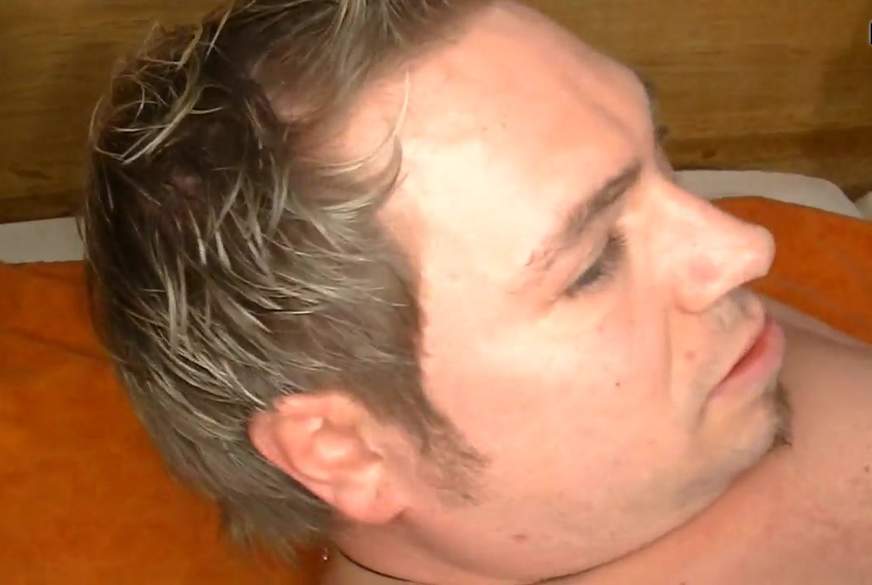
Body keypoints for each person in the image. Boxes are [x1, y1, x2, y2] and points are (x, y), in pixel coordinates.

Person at [82, 1, 872, 583]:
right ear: (346, 449)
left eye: (661, 161)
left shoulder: (689, 361)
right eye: (594, 263)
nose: (744, 248)